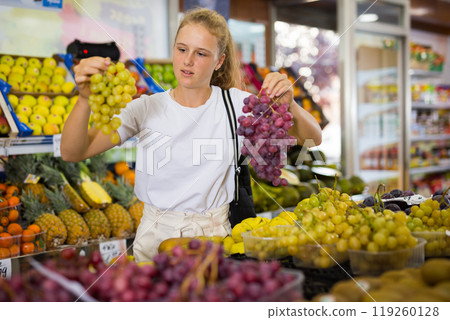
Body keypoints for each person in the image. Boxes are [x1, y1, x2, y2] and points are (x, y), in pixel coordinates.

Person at [61, 7, 322, 262]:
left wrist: (291, 105)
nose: (187, 61)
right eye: (182, 49)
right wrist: (84, 99)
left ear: (219, 61)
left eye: (201, 54)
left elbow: (312, 138)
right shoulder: (145, 108)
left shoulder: (239, 105)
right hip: (155, 239)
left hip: (216, 240)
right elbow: (73, 152)